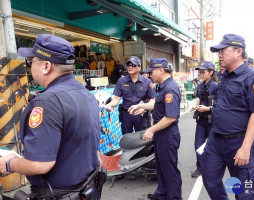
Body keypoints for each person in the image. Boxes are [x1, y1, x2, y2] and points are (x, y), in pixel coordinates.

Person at [0, 34, 101, 199]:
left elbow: (40, 164)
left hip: (60, 194)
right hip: (86, 189)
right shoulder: (85, 93)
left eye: (31, 61)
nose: (30, 66)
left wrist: (9, 163)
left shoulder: (47, 102)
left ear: (46, 66)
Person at [201, 34, 254, 200]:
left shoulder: (253, 77)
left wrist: (245, 148)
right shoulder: (223, 76)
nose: (219, 54)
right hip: (216, 140)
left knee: (245, 191)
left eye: (223, 50)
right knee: (210, 180)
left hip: (239, 141)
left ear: (238, 51)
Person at [128, 58, 182, 200]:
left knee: (169, 170)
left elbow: (170, 117)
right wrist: (140, 106)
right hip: (161, 133)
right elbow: (157, 106)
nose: (149, 75)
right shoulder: (162, 86)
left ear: (160, 70)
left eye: (151, 72)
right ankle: (162, 194)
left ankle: (174, 197)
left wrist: (151, 130)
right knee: (161, 167)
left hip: (167, 134)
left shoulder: (170, 89)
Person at [105, 56, 156, 134]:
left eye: (133, 65)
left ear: (139, 67)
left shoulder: (147, 82)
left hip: (140, 114)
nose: (130, 67)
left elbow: (153, 100)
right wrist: (109, 105)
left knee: (141, 139)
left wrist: (144, 108)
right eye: (129, 65)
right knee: (126, 139)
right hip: (126, 115)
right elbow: (116, 99)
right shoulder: (121, 81)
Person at [190, 61, 218, 178]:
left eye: (203, 72)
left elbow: (219, 105)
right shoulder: (201, 85)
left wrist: (207, 108)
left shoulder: (216, 86)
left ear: (211, 72)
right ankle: (200, 167)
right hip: (201, 120)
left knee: (212, 145)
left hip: (213, 120)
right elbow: (199, 99)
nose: (200, 74)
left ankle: (212, 167)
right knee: (198, 144)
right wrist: (195, 105)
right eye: (199, 72)